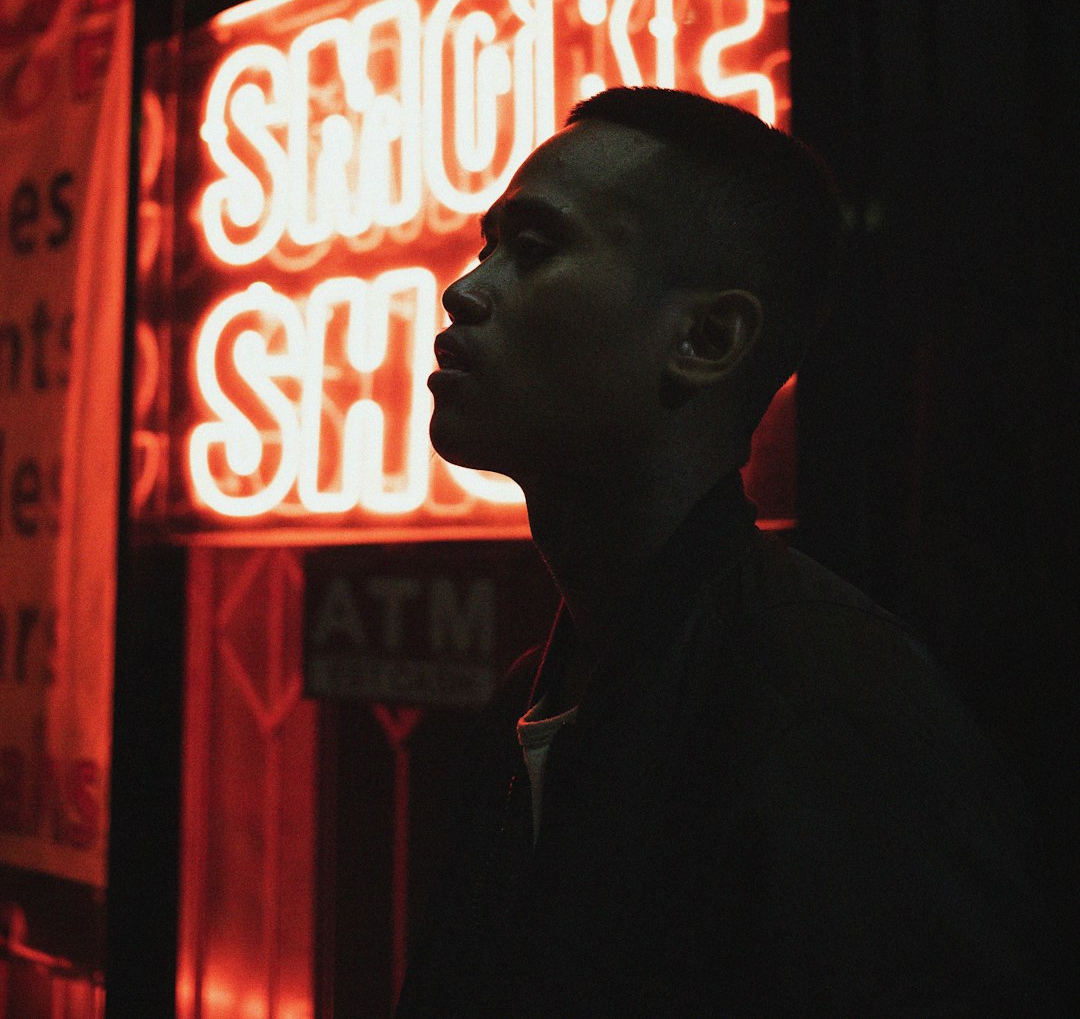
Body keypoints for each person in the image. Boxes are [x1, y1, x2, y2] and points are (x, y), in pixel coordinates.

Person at [396, 87, 1071, 1016]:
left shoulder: (832, 721)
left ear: (706, 340)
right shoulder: (534, 699)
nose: (465, 288)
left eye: (535, 249)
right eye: (487, 246)